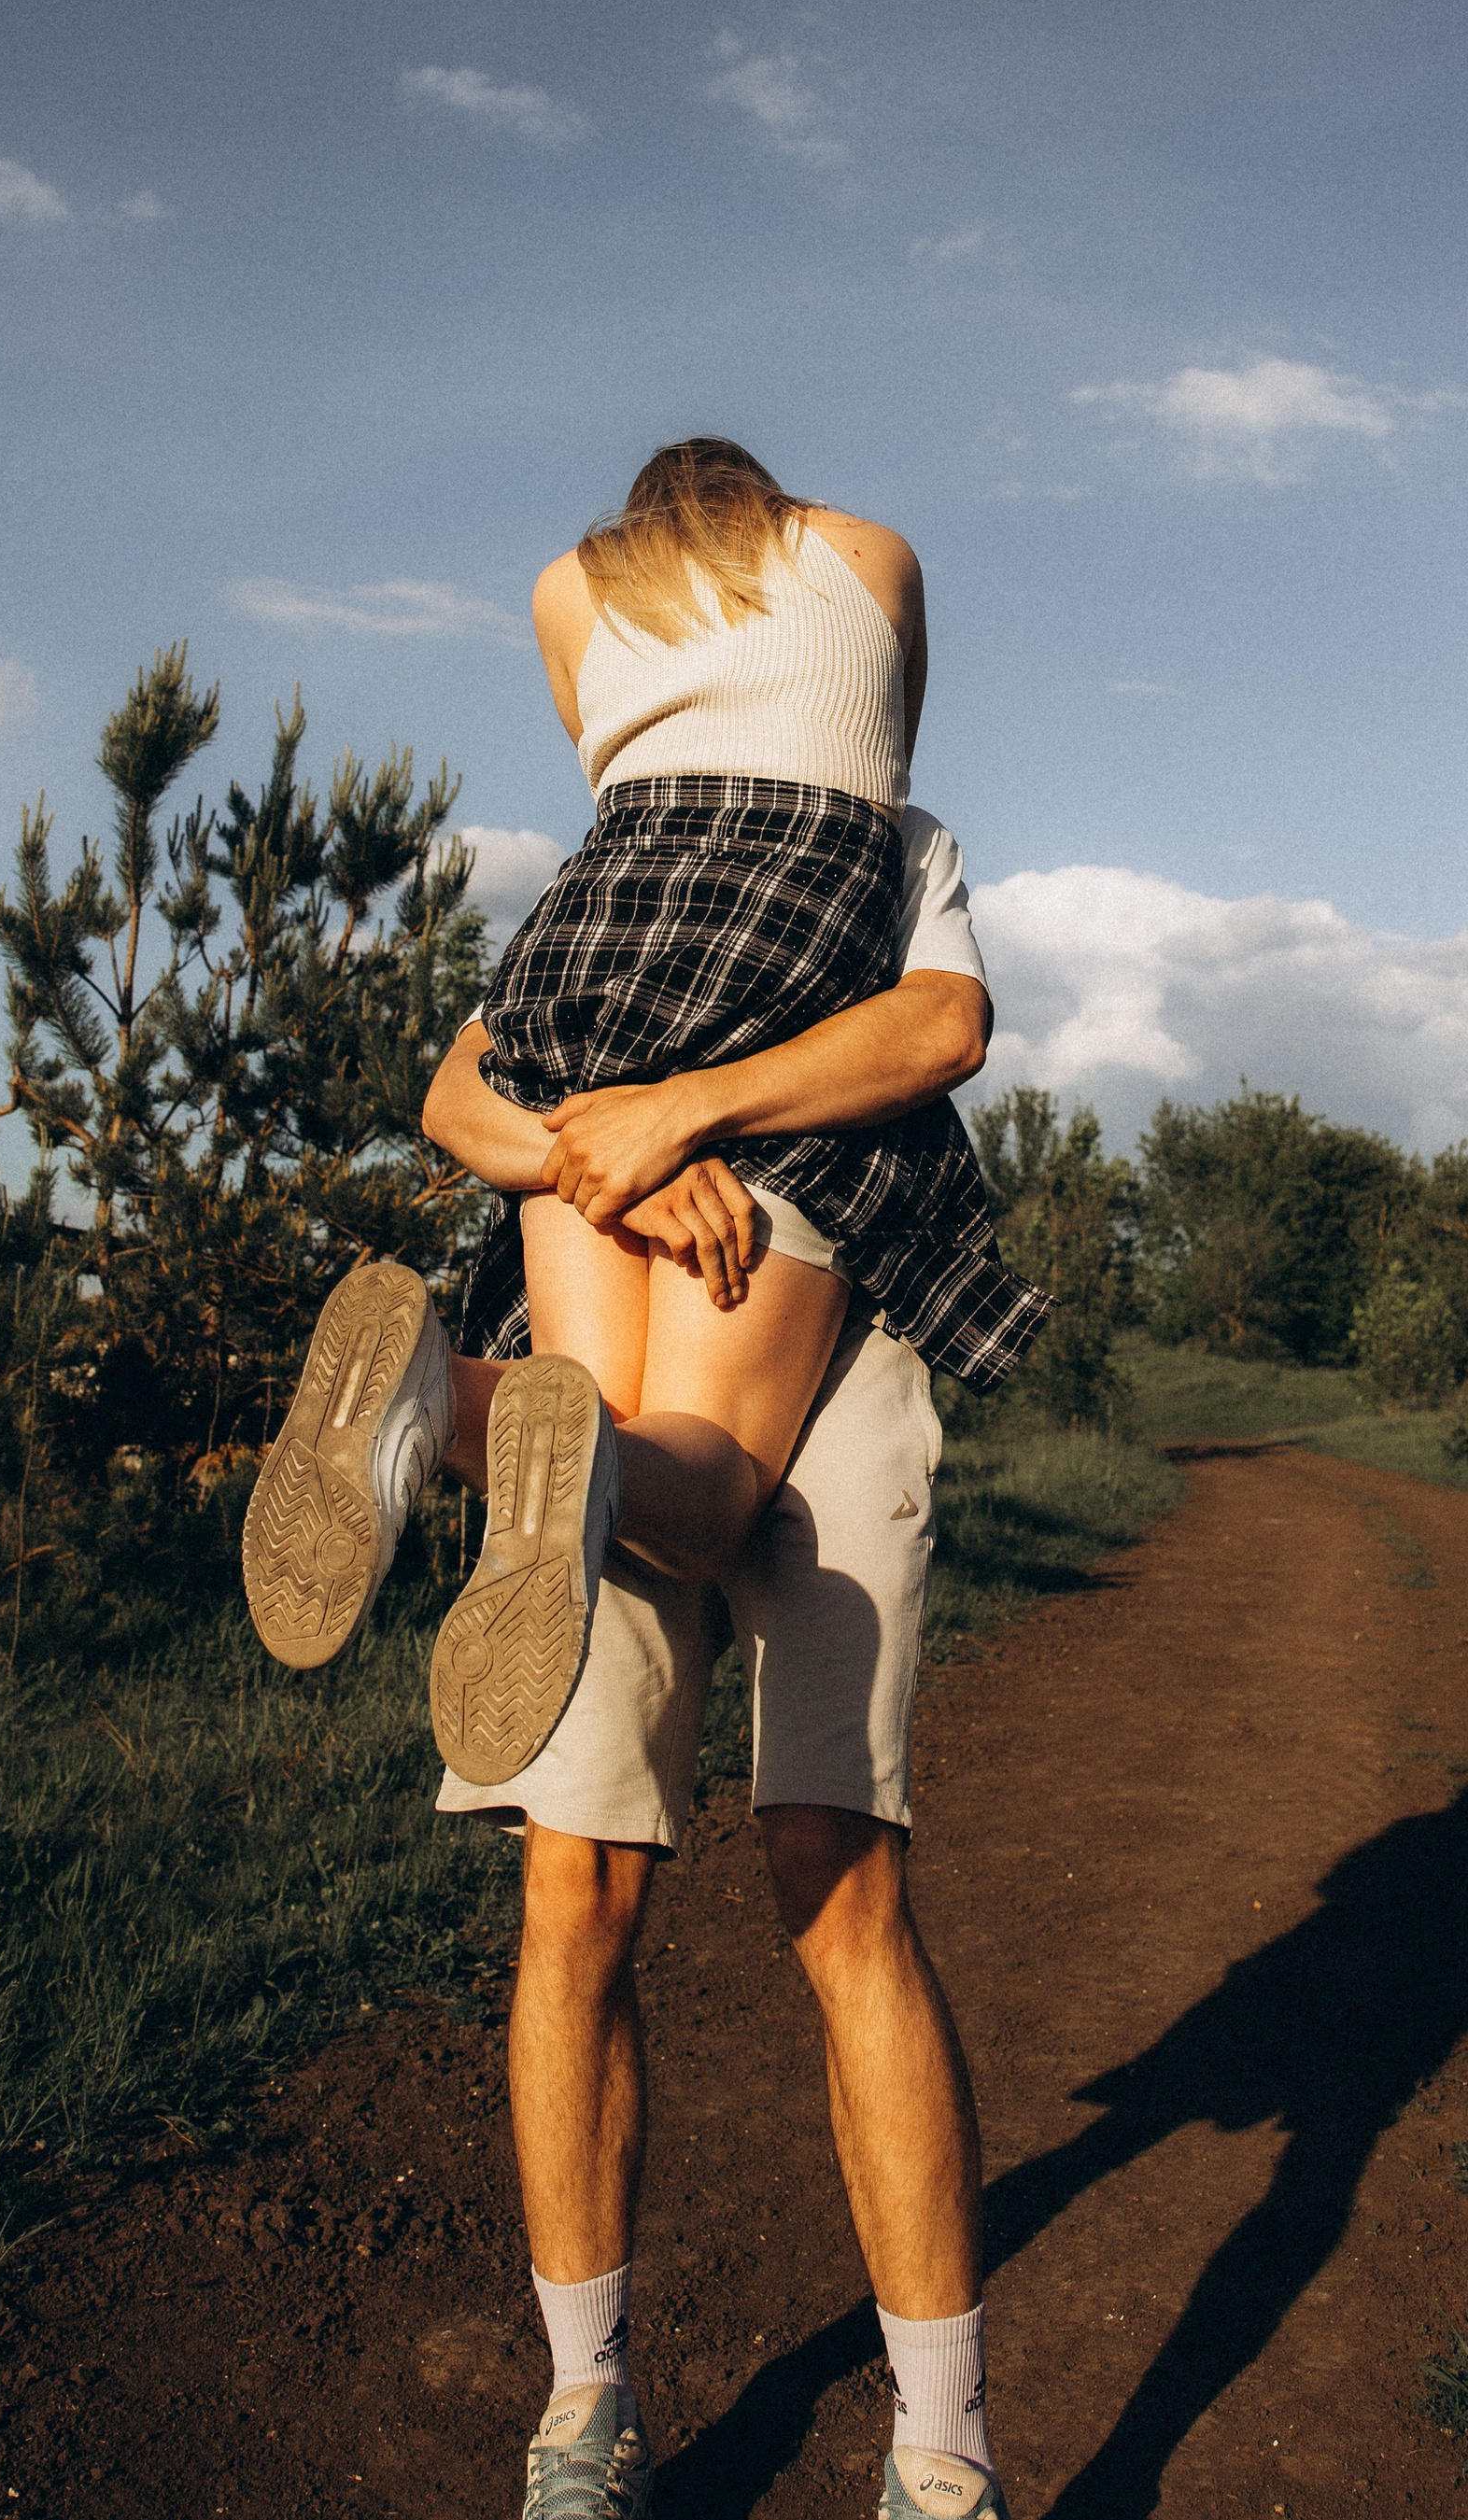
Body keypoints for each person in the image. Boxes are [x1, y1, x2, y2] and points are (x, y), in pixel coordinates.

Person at [424, 807, 1015, 2520]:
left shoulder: (886, 832)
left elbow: (941, 1026)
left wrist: (683, 1110)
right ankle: (586, 2408)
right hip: (607, 1360)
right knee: (577, 1884)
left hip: (826, 1343)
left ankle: (940, 2448)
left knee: (837, 1877)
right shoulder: (640, 841)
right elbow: (465, 1089)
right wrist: (598, 1157)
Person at [420, 439, 1045, 1796]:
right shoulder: (873, 555)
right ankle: (476, 1410)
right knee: (700, 1498)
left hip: (592, 959)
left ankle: (445, 1393)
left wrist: (622, 1137)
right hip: (788, 931)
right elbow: (885, 755)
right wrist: (658, 1143)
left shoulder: (566, 591)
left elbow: (600, 762)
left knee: (591, 1415)